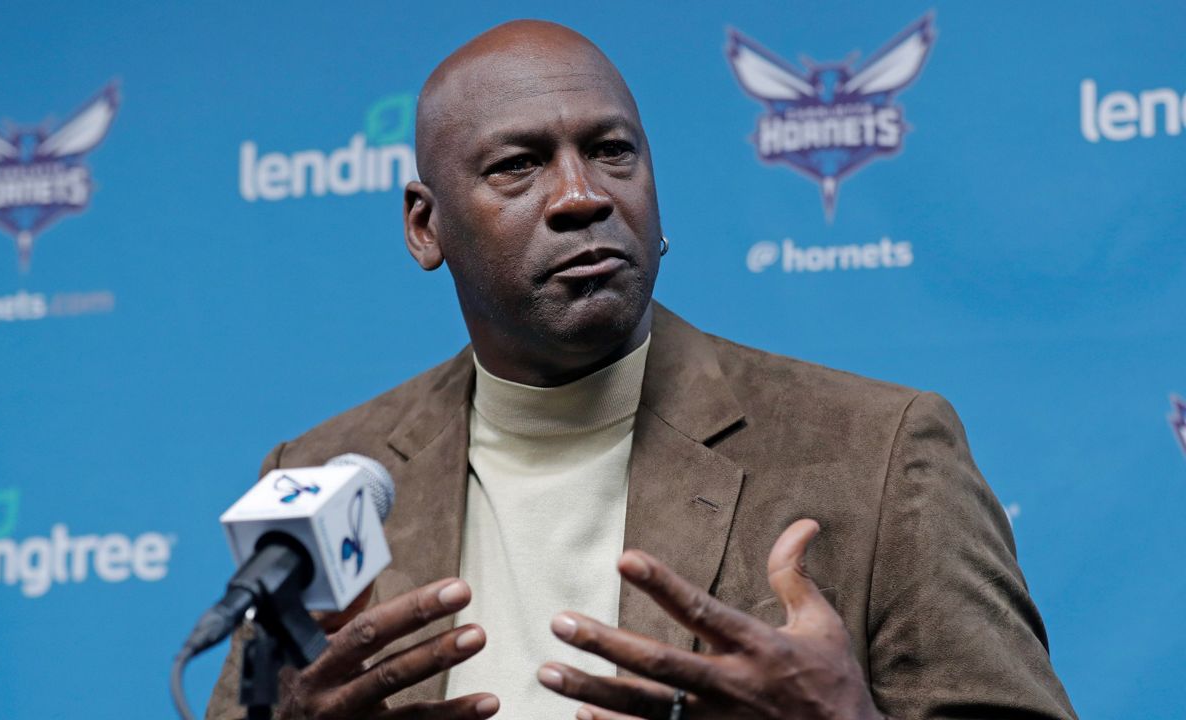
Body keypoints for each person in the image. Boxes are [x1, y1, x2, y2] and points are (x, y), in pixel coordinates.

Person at [207, 19, 1076, 720]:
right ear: (424, 227)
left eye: (612, 150)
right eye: (519, 166)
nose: (582, 194)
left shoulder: (882, 451)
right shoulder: (322, 477)